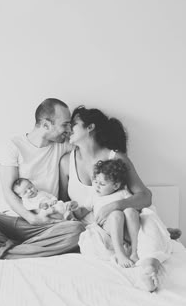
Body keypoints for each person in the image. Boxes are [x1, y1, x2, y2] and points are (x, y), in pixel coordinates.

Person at [0, 98, 85, 259]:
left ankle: (5, 252)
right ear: (46, 125)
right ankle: (29, 248)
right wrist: (31, 218)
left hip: (45, 223)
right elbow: (9, 192)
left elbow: (92, 149)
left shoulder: (63, 145)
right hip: (10, 220)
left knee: (78, 231)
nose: (69, 129)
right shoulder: (13, 146)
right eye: (65, 124)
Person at [59, 106, 173, 291]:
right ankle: (138, 249)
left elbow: (145, 196)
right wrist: (68, 212)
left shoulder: (116, 158)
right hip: (98, 228)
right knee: (90, 243)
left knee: (148, 222)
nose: (68, 128)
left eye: (74, 124)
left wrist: (115, 205)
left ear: (90, 127)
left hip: (129, 220)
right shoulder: (66, 162)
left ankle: (148, 269)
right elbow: (63, 201)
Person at [80, 159, 140, 267]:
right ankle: (120, 253)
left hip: (126, 229)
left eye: (102, 184)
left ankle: (135, 252)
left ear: (116, 186)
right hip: (107, 226)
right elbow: (83, 211)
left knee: (131, 211)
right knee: (116, 214)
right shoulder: (94, 196)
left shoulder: (123, 193)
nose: (97, 186)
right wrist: (72, 211)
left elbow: (137, 208)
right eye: (96, 181)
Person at [12, 177, 78, 220]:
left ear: (33, 185)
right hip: (45, 211)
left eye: (30, 187)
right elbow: (28, 207)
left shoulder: (41, 192)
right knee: (50, 213)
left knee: (61, 204)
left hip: (54, 204)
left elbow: (51, 196)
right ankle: (67, 216)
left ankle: (70, 207)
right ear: (21, 196)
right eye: (25, 192)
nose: (29, 191)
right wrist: (39, 205)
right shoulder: (27, 201)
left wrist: (54, 200)